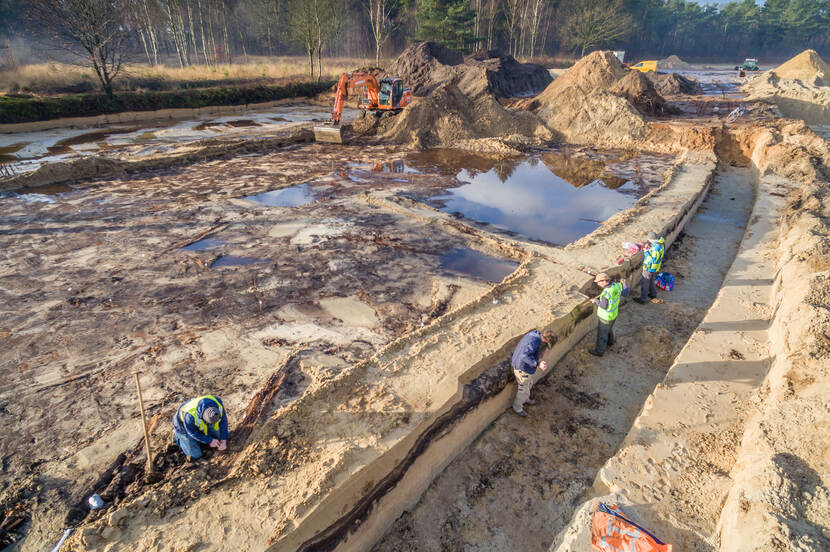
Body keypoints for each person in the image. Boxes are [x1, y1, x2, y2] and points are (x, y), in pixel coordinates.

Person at [510, 329, 557, 417]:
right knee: (523, 390)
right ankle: (517, 408)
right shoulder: (534, 342)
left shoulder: (535, 335)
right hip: (521, 367)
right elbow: (524, 356)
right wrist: (538, 364)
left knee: (529, 383)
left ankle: (526, 399)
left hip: (522, 365)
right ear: (547, 340)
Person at [173, 394, 229, 460]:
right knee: (196, 455)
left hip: (199, 421)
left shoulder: (218, 404)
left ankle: (202, 436)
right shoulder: (190, 417)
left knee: (218, 438)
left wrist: (223, 439)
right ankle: (178, 437)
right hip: (182, 427)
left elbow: (223, 422)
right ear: (203, 418)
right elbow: (192, 432)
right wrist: (209, 440)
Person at [589, 272, 629, 357]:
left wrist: (596, 301)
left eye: (598, 282)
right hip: (613, 315)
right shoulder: (617, 285)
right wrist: (624, 284)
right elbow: (625, 293)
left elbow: (603, 306)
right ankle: (611, 342)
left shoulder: (606, 293)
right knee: (609, 328)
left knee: (602, 334)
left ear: (604, 281)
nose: (597, 284)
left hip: (605, 317)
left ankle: (599, 351)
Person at [634, 231, 665, 304]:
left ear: (652, 239)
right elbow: (656, 255)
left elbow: (653, 259)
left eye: (649, 240)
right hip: (655, 268)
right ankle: (653, 295)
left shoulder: (656, 248)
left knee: (645, 283)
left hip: (649, 268)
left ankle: (642, 299)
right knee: (651, 281)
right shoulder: (661, 243)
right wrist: (650, 248)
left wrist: (646, 252)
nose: (648, 241)